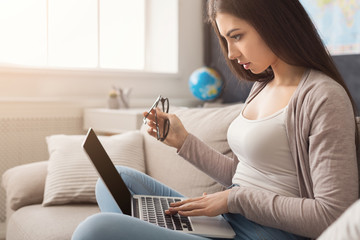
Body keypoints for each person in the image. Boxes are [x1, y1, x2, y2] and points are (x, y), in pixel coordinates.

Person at [72, 0, 359, 239]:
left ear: (274, 22)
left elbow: (332, 214)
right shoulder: (262, 85)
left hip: (265, 233)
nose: (232, 54)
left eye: (237, 36)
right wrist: (183, 142)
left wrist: (233, 200)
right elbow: (243, 175)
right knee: (117, 180)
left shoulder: (323, 96)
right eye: (226, 40)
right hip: (232, 220)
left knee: (95, 230)